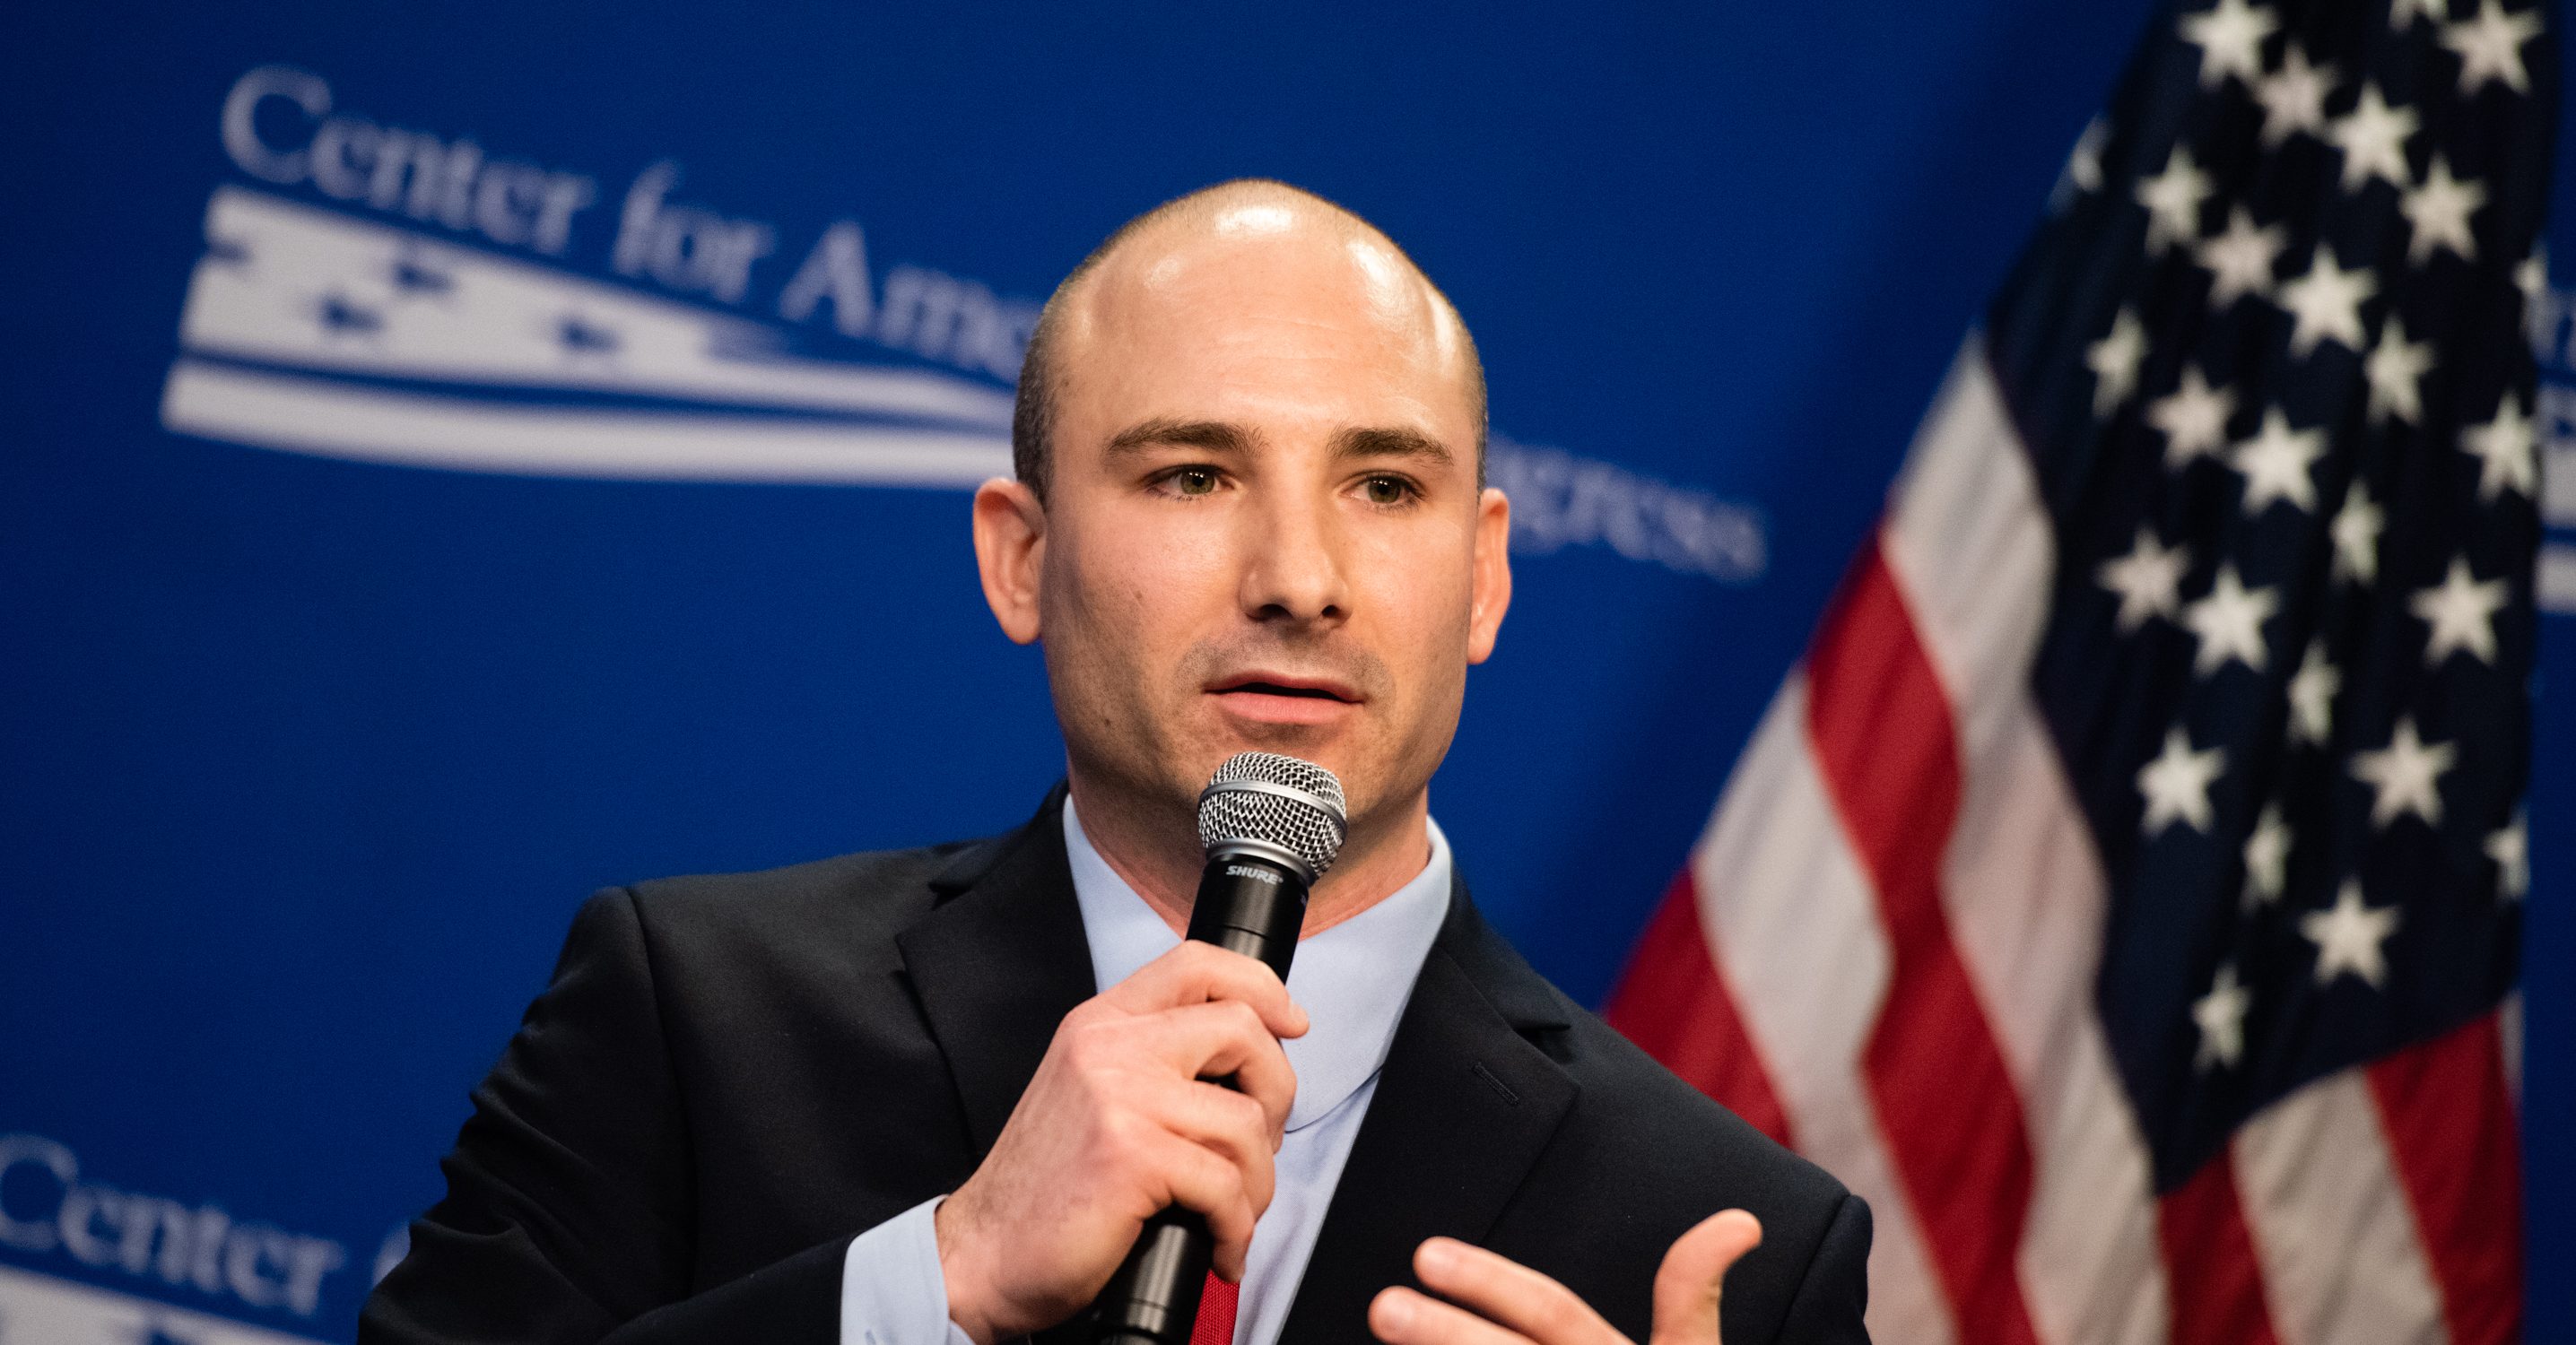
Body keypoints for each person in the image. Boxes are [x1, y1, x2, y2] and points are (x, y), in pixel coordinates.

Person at [361, 179, 1869, 1345]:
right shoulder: (685, 1016)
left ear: (1482, 582)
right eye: (1196, 474)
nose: (1298, 577)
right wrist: (936, 1284)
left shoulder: (1735, 1237)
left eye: (1385, 484)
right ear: (1021, 562)